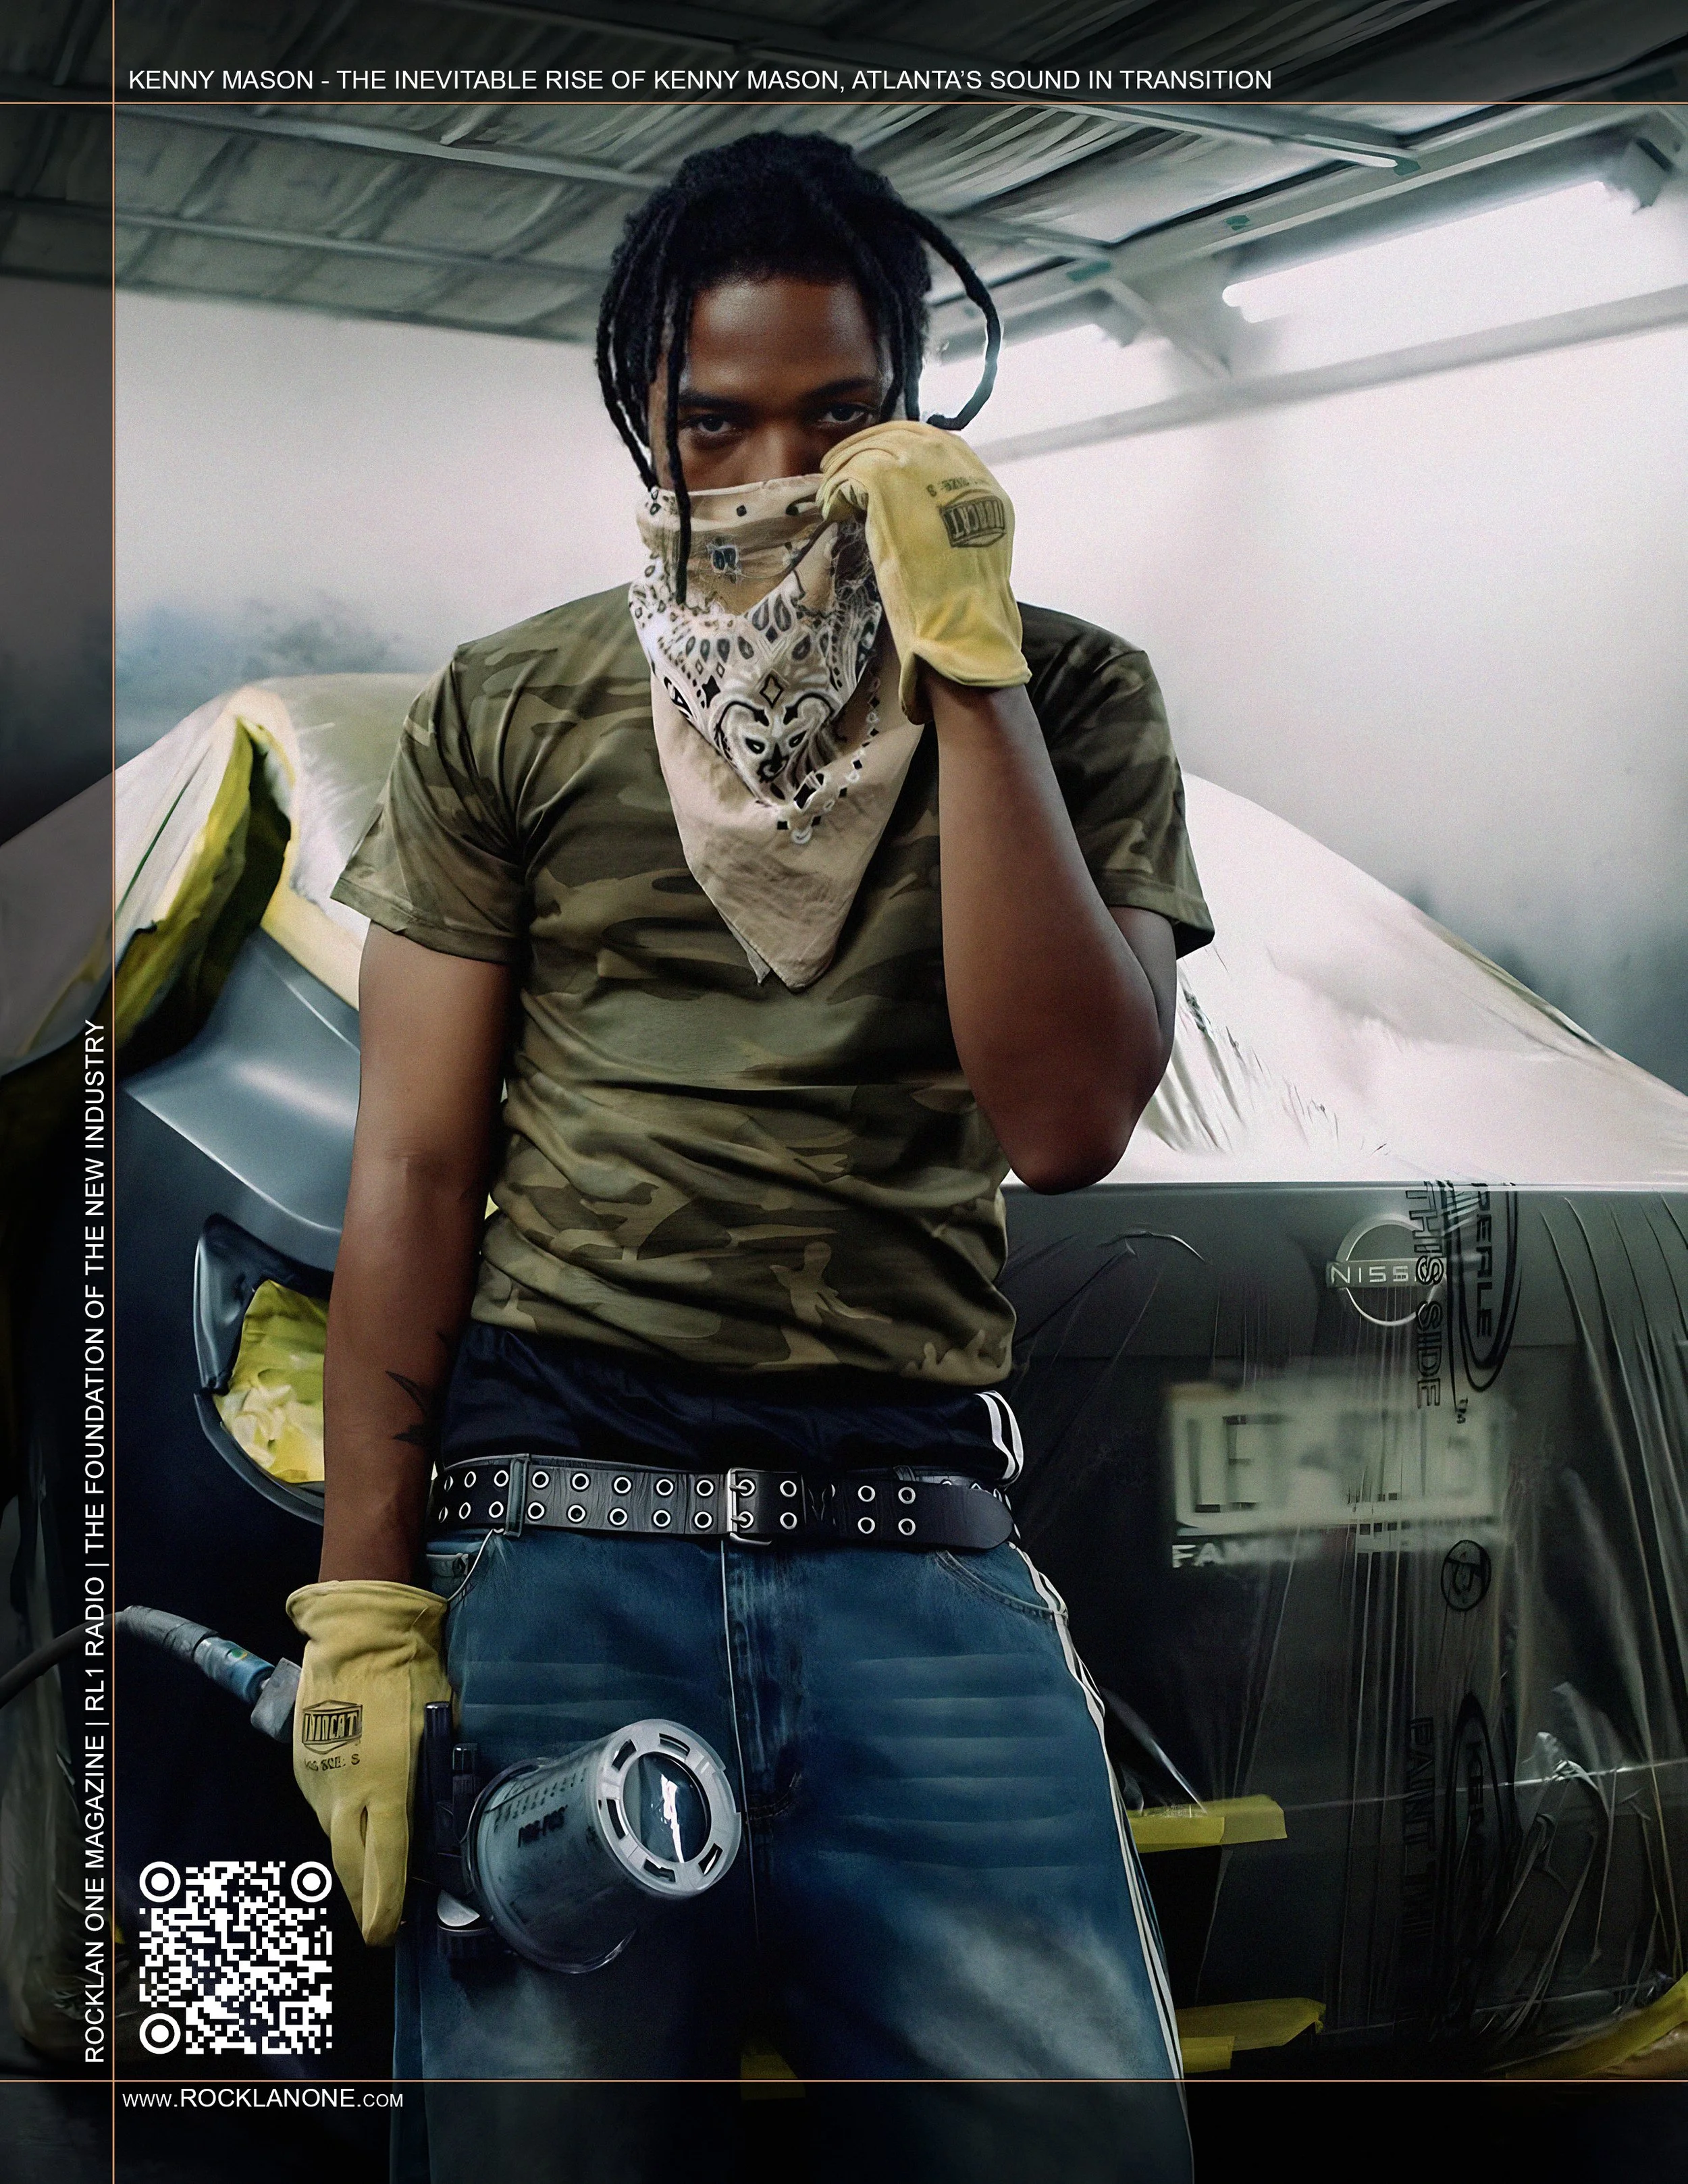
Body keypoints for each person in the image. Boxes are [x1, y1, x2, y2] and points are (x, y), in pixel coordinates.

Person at [285, 131, 1213, 2183]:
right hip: (570, 1543)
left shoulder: (1070, 694)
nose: (773, 465)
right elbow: (418, 1169)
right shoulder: (516, 704)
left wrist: (964, 670)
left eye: (839, 418)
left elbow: (1060, 1121)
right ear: (648, 425)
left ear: (914, 419)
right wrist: (362, 1612)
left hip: (920, 1571)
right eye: (721, 423)